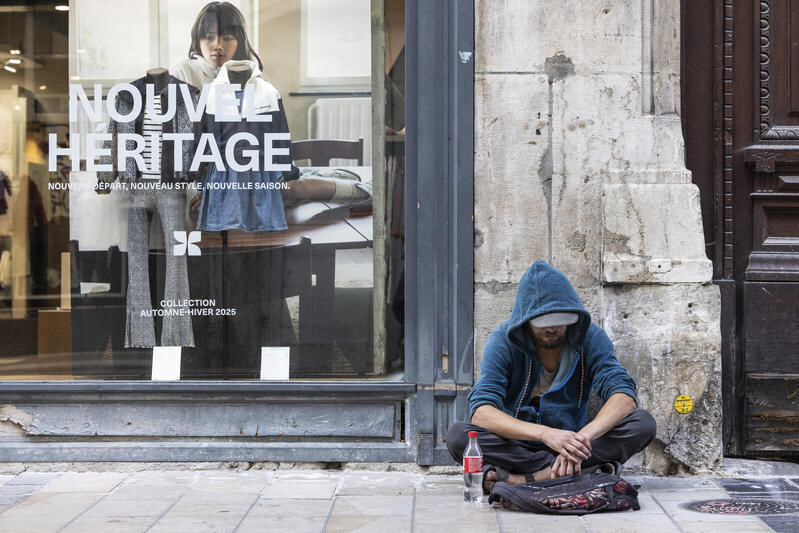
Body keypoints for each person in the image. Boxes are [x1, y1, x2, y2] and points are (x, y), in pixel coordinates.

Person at [446, 260, 656, 494]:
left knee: (643, 423)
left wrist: (578, 442)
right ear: (525, 320)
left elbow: (623, 394)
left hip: (574, 443)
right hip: (517, 445)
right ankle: (577, 474)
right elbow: (481, 412)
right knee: (458, 436)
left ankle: (527, 479)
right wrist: (546, 434)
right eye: (543, 322)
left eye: (559, 321)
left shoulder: (589, 337)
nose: (552, 329)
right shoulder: (503, 341)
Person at [172, 1, 370, 220]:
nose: (217, 45)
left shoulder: (254, 77)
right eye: (209, 37)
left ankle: (361, 191)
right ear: (198, 40)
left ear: (239, 41)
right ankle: (335, 178)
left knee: (288, 190)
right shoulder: (184, 73)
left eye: (227, 38)